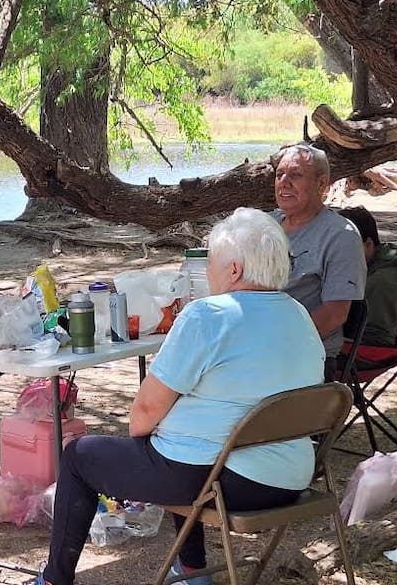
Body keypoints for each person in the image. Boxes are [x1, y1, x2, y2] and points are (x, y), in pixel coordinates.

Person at [37, 208, 325, 585]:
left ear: (234, 270)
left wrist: (145, 442)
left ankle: (54, 579)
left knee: (80, 456)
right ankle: (192, 569)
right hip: (290, 477)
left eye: (212, 262)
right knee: (179, 440)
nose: (208, 272)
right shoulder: (299, 314)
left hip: (228, 484)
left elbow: (143, 412)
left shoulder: (208, 315)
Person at [272, 144, 367, 380]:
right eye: (279, 174)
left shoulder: (340, 235)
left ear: (321, 183)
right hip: (254, 347)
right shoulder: (265, 225)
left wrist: (273, 345)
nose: (283, 182)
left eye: (295, 175)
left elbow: (335, 314)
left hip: (305, 356)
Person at [338, 206, 397, 346]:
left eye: (344, 247)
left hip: (364, 354)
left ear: (368, 245)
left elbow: (377, 340)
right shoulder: (371, 267)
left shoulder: (382, 282)